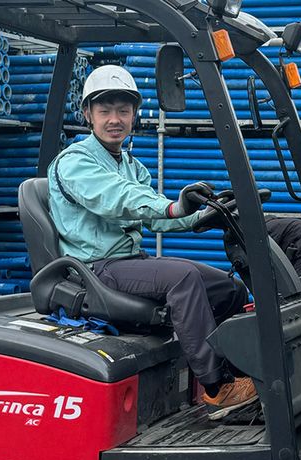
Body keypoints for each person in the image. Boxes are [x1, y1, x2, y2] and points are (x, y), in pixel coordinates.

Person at [47, 65, 257, 420]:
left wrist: (205, 214)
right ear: (87, 115)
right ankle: (217, 387)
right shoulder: (75, 162)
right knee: (182, 279)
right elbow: (118, 198)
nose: (115, 119)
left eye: (123, 111)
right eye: (105, 111)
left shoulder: (131, 165)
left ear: (134, 115)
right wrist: (174, 206)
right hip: (95, 269)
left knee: (228, 289)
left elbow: (153, 215)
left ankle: (239, 376)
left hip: (129, 261)